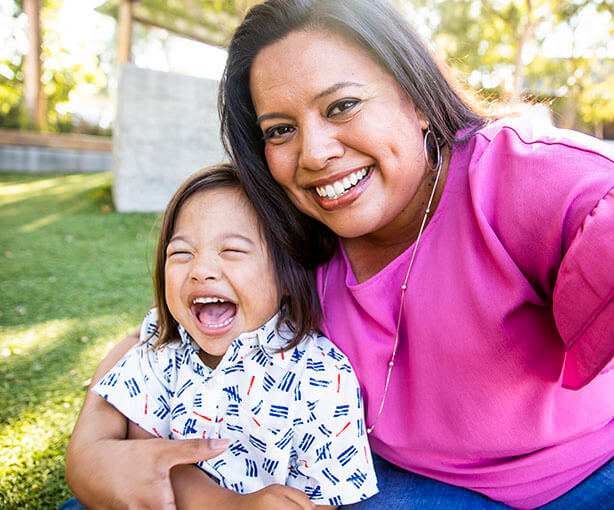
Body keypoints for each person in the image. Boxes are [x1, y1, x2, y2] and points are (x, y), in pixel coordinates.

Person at [66, 0, 614, 508]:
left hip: (580, 478)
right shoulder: (288, 226)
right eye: (280, 130)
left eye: (343, 105)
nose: (315, 153)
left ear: (417, 96)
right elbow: (162, 337)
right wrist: (93, 447)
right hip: (387, 476)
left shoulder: (521, 178)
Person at [68, 163, 377, 508]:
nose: (201, 271)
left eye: (232, 251)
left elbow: (324, 497)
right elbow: (146, 461)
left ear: (288, 275)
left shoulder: (323, 375)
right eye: (181, 253)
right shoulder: (159, 348)